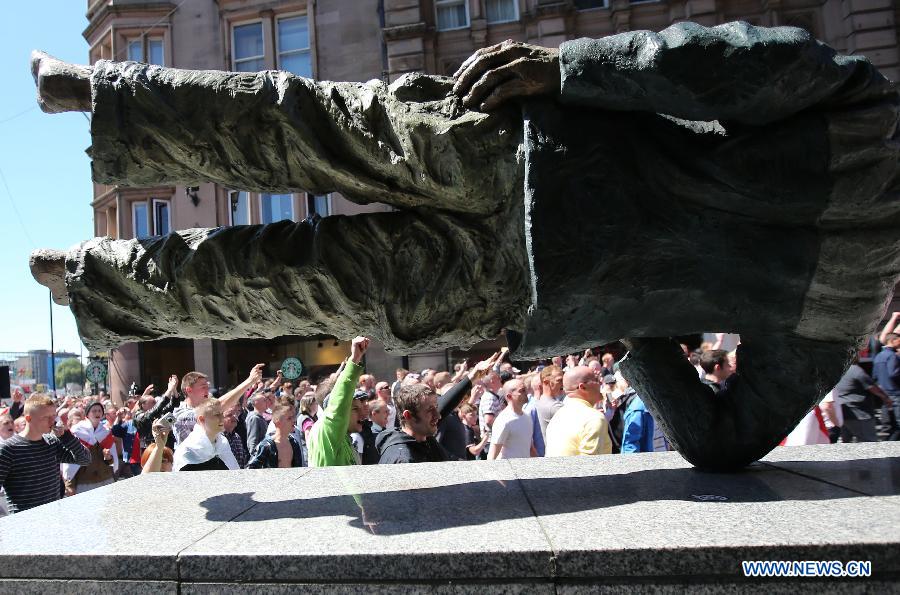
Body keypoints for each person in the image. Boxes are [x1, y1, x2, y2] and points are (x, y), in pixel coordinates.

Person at [30, 21, 900, 471]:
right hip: (539, 284)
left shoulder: (872, 120)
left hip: (539, 160)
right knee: (300, 280)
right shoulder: (851, 301)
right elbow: (725, 438)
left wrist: (571, 71)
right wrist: (639, 326)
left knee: (313, 130)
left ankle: (110, 100)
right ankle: (99, 280)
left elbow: (718, 62)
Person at [379, 352, 500, 463]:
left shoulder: (424, 438)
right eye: (429, 410)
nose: (438, 415)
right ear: (408, 415)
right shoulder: (403, 459)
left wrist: (473, 376)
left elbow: (445, 405)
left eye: (436, 408)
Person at [0, 394, 91, 514]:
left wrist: (66, 436)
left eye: (53, 416)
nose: (52, 421)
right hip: (25, 523)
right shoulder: (8, 449)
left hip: (53, 518)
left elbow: (85, 459)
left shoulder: (51, 442)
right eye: (45, 417)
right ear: (28, 419)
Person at [308, 337, 369, 467]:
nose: (362, 415)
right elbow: (339, 402)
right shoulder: (327, 429)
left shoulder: (341, 436)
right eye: (354, 409)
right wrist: (355, 359)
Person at [172, 364, 263, 447]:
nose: (208, 390)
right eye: (203, 387)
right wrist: (250, 381)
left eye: (208, 387)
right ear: (189, 390)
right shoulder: (180, 414)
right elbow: (218, 405)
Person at [545, 366, 612, 457]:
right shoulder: (594, 418)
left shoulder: (557, 417)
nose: (601, 382)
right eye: (596, 380)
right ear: (583, 387)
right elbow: (589, 467)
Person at [833, 357, 892, 443]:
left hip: (843, 413)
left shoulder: (837, 371)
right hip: (860, 414)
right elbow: (872, 387)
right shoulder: (856, 370)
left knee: (846, 445)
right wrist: (886, 398)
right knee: (869, 443)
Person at [65, 400, 117, 493]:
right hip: (85, 481)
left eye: (99, 411)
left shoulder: (106, 431)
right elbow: (71, 461)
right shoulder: (77, 431)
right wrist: (69, 484)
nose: (97, 413)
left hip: (105, 478)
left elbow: (112, 461)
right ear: (87, 414)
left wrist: (109, 457)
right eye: (94, 411)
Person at [173, 399, 239, 471]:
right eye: (217, 415)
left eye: (222, 414)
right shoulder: (188, 450)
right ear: (202, 419)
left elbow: (235, 474)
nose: (222, 418)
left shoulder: (223, 443)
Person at [487, 378, 533, 460]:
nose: (526, 392)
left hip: (524, 470)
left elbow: (530, 447)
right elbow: (493, 454)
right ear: (509, 396)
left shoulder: (527, 416)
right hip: (507, 471)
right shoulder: (504, 420)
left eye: (525, 389)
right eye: (522, 390)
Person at [248, 403, 304, 468]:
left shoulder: (294, 443)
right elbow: (252, 468)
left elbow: (298, 468)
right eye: (289, 418)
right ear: (278, 422)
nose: (294, 421)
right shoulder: (266, 446)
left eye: (293, 418)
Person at [133, 374, 181, 451]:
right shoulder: (138, 416)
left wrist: (174, 389)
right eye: (152, 402)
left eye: (155, 402)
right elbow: (154, 411)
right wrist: (169, 390)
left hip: (166, 446)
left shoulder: (158, 412)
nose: (155, 403)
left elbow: (174, 405)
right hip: (151, 448)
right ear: (143, 405)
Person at [872, 332, 900, 440]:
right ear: (892, 341)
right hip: (896, 394)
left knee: (888, 426)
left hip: (885, 395)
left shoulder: (879, 356)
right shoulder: (892, 356)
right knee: (897, 425)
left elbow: (874, 376)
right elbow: (894, 373)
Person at [245, 391, 271, 456]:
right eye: (264, 400)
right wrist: (254, 457)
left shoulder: (260, 417)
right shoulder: (254, 418)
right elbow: (252, 439)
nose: (267, 402)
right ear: (256, 403)